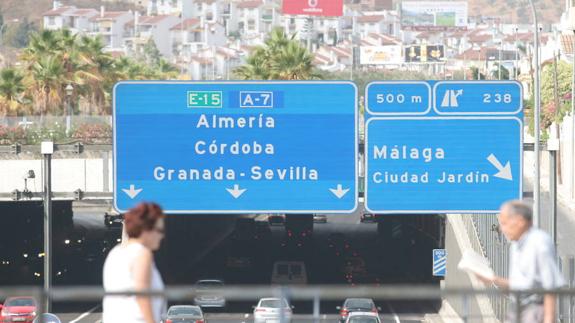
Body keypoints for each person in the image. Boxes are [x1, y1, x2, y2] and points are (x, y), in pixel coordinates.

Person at [476, 200, 564, 323]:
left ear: (520, 222)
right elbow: (520, 284)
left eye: (505, 223)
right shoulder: (516, 244)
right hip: (516, 309)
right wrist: (493, 279)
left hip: (534, 311)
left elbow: (550, 286)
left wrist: (549, 320)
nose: (502, 229)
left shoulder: (540, 243)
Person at [103, 202, 167, 323]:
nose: (162, 235)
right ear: (146, 230)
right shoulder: (142, 254)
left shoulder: (116, 253)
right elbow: (142, 295)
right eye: (159, 230)